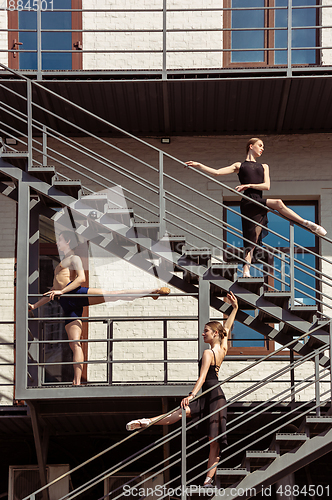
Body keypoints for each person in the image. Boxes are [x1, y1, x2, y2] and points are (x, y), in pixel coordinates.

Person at [126, 291, 238, 487]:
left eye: (206, 331)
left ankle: (208, 480)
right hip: (214, 396)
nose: (203, 333)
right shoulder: (223, 348)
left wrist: (191, 395)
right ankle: (146, 422)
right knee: (182, 415)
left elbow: (202, 377)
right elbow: (226, 328)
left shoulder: (208, 353)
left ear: (214, 334)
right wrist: (234, 308)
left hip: (211, 396)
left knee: (214, 441)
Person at [28, 231, 170, 386]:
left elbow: (81, 278)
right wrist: (34, 306)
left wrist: (62, 291)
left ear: (68, 241)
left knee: (114, 294)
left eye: (60, 240)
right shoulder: (61, 262)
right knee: (74, 343)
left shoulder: (74, 258)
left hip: (75, 294)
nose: (57, 243)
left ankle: (151, 292)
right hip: (65, 302)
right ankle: (76, 382)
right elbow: (52, 292)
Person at [185, 138, 326, 277]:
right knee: (251, 238)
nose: (262, 148)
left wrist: (249, 185)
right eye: (260, 145)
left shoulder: (264, 166)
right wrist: (198, 164)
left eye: (263, 146)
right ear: (251, 146)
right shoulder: (239, 166)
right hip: (247, 202)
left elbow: (267, 186)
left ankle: (307, 223)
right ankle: (246, 270)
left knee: (277, 203)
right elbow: (216, 172)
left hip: (258, 200)